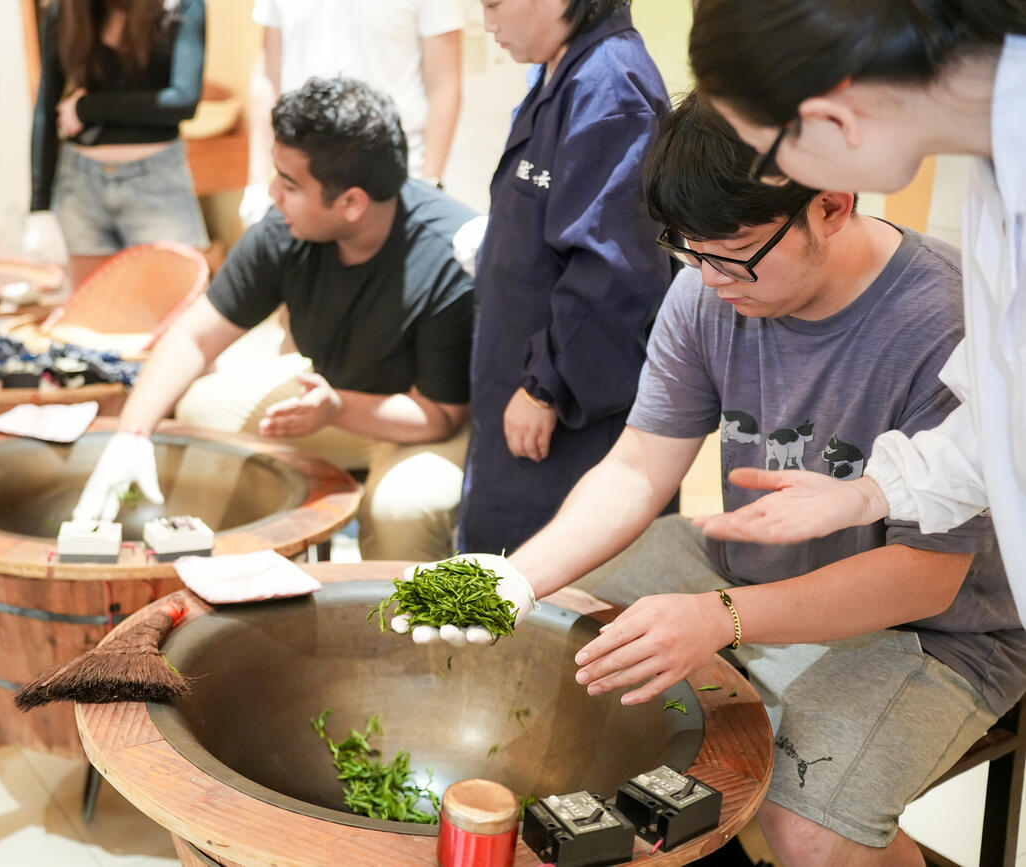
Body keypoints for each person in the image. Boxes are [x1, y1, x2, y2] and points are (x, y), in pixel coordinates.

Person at [409, 94, 1026, 866]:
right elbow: (638, 466)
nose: (708, 277)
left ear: (830, 206)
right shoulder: (708, 286)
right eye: (688, 251)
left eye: (731, 255)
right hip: (742, 563)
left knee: (808, 828)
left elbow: (927, 581)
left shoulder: (946, 318)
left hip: (933, 630)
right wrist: (516, 577)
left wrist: (720, 617)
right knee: (553, 642)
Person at [683, 1, 1026, 618]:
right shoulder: (998, 172)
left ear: (830, 118)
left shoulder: (934, 296)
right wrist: (871, 493)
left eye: (768, 156)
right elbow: (1006, 409)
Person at [74, 77, 478, 561]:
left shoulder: (448, 256)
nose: (272, 193)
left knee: (402, 508)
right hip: (330, 397)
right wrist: (131, 435)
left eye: (289, 183)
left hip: (423, 420)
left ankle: (385, 630)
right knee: (201, 407)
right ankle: (232, 578)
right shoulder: (287, 230)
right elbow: (194, 339)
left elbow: (438, 415)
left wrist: (336, 408)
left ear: (351, 202)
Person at [457, 0, 672, 554]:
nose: (487, 22)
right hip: (518, 375)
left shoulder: (611, 87)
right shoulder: (559, 69)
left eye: (493, 4)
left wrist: (544, 386)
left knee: (548, 587)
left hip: (568, 397)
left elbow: (615, 271)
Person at [26, 0, 210, 286]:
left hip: (157, 182)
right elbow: (45, 107)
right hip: (80, 186)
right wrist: (39, 207)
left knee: (177, 310)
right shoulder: (66, 11)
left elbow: (182, 102)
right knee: (93, 318)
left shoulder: (180, 6)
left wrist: (86, 108)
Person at [238, 0, 463, 226]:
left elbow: (444, 85)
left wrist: (429, 182)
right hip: (301, 179)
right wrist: (257, 186)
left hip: (393, 176)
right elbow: (268, 75)